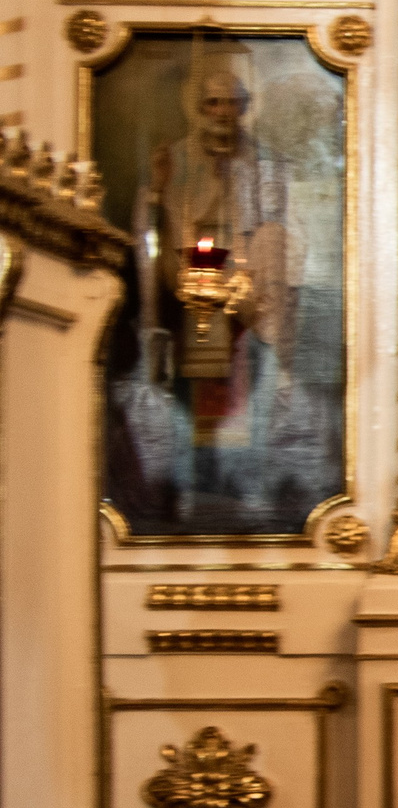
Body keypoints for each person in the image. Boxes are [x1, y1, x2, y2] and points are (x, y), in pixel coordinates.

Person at [125, 60, 296, 512]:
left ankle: (250, 485)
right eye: (212, 103)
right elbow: (153, 226)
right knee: (190, 395)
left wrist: (249, 282)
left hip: (246, 294)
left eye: (232, 103)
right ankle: (186, 484)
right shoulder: (174, 156)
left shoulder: (263, 160)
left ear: (245, 108)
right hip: (190, 289)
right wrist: (159, 190)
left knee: (250, 390)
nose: (222, 112)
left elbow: (277, 227)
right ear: (198, 109)